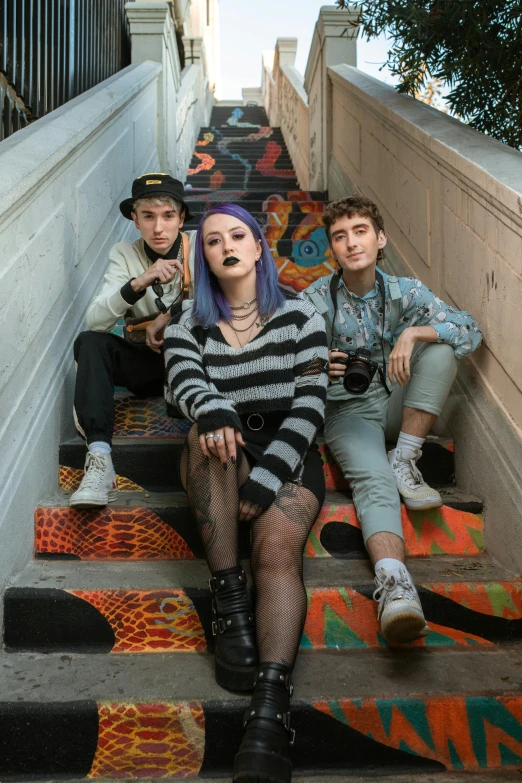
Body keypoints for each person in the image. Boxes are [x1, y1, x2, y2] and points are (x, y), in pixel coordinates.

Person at [163, 203, 328, 783]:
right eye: (212, 240)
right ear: (203, 256)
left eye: (238, 235)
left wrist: (270, 475)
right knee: (210, 436)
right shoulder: (190, 321)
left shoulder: (302, 315)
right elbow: (182, 378)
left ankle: (269, 710)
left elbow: (310, 403)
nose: (226, 246)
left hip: (289, 451)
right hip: (221, 449)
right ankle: (230, 608)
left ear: (259, 247)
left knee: (278, 547)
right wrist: (213, 409)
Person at [304, 195, 482, 645]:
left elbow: (469, 329)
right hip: (347, 409)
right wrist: (314, 364)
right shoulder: (313, 299)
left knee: (441, 347)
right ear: (333, 249)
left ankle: (406, 456)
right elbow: (278, 355)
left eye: (360, 231)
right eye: (340, 236)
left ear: (380, 238)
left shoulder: (407, 292)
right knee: (375, 481)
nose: (351, 243)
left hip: (400, 401)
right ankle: (396, 586)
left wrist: (415, 331)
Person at [70, 173, 195, 508]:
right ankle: (99, 458)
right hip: (149, 365)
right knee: (90, 342)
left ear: (181, 218)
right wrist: (138, 283)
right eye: (148, 217)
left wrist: (171, 317)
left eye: (168, 216)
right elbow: (97, 319)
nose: (158, 228)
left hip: (198, 366)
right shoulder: (124, 253)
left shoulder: (199, 246)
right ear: (135, 220)